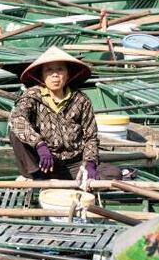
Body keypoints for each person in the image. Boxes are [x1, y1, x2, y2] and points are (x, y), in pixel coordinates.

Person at [7, 45, 100, 181]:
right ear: (42, 75)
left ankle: (74, 177)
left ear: (68, 74)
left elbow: (91, 136)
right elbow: (17, 119)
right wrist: (40, 145)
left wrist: (90, 164)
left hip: (73, 164)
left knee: (113, 174)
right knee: (14, 130)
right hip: (42, 163)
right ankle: (38, 178)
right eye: (49, 70)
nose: (55, 74)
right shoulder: (32, 96)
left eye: (60, 69)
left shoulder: (81, 99)